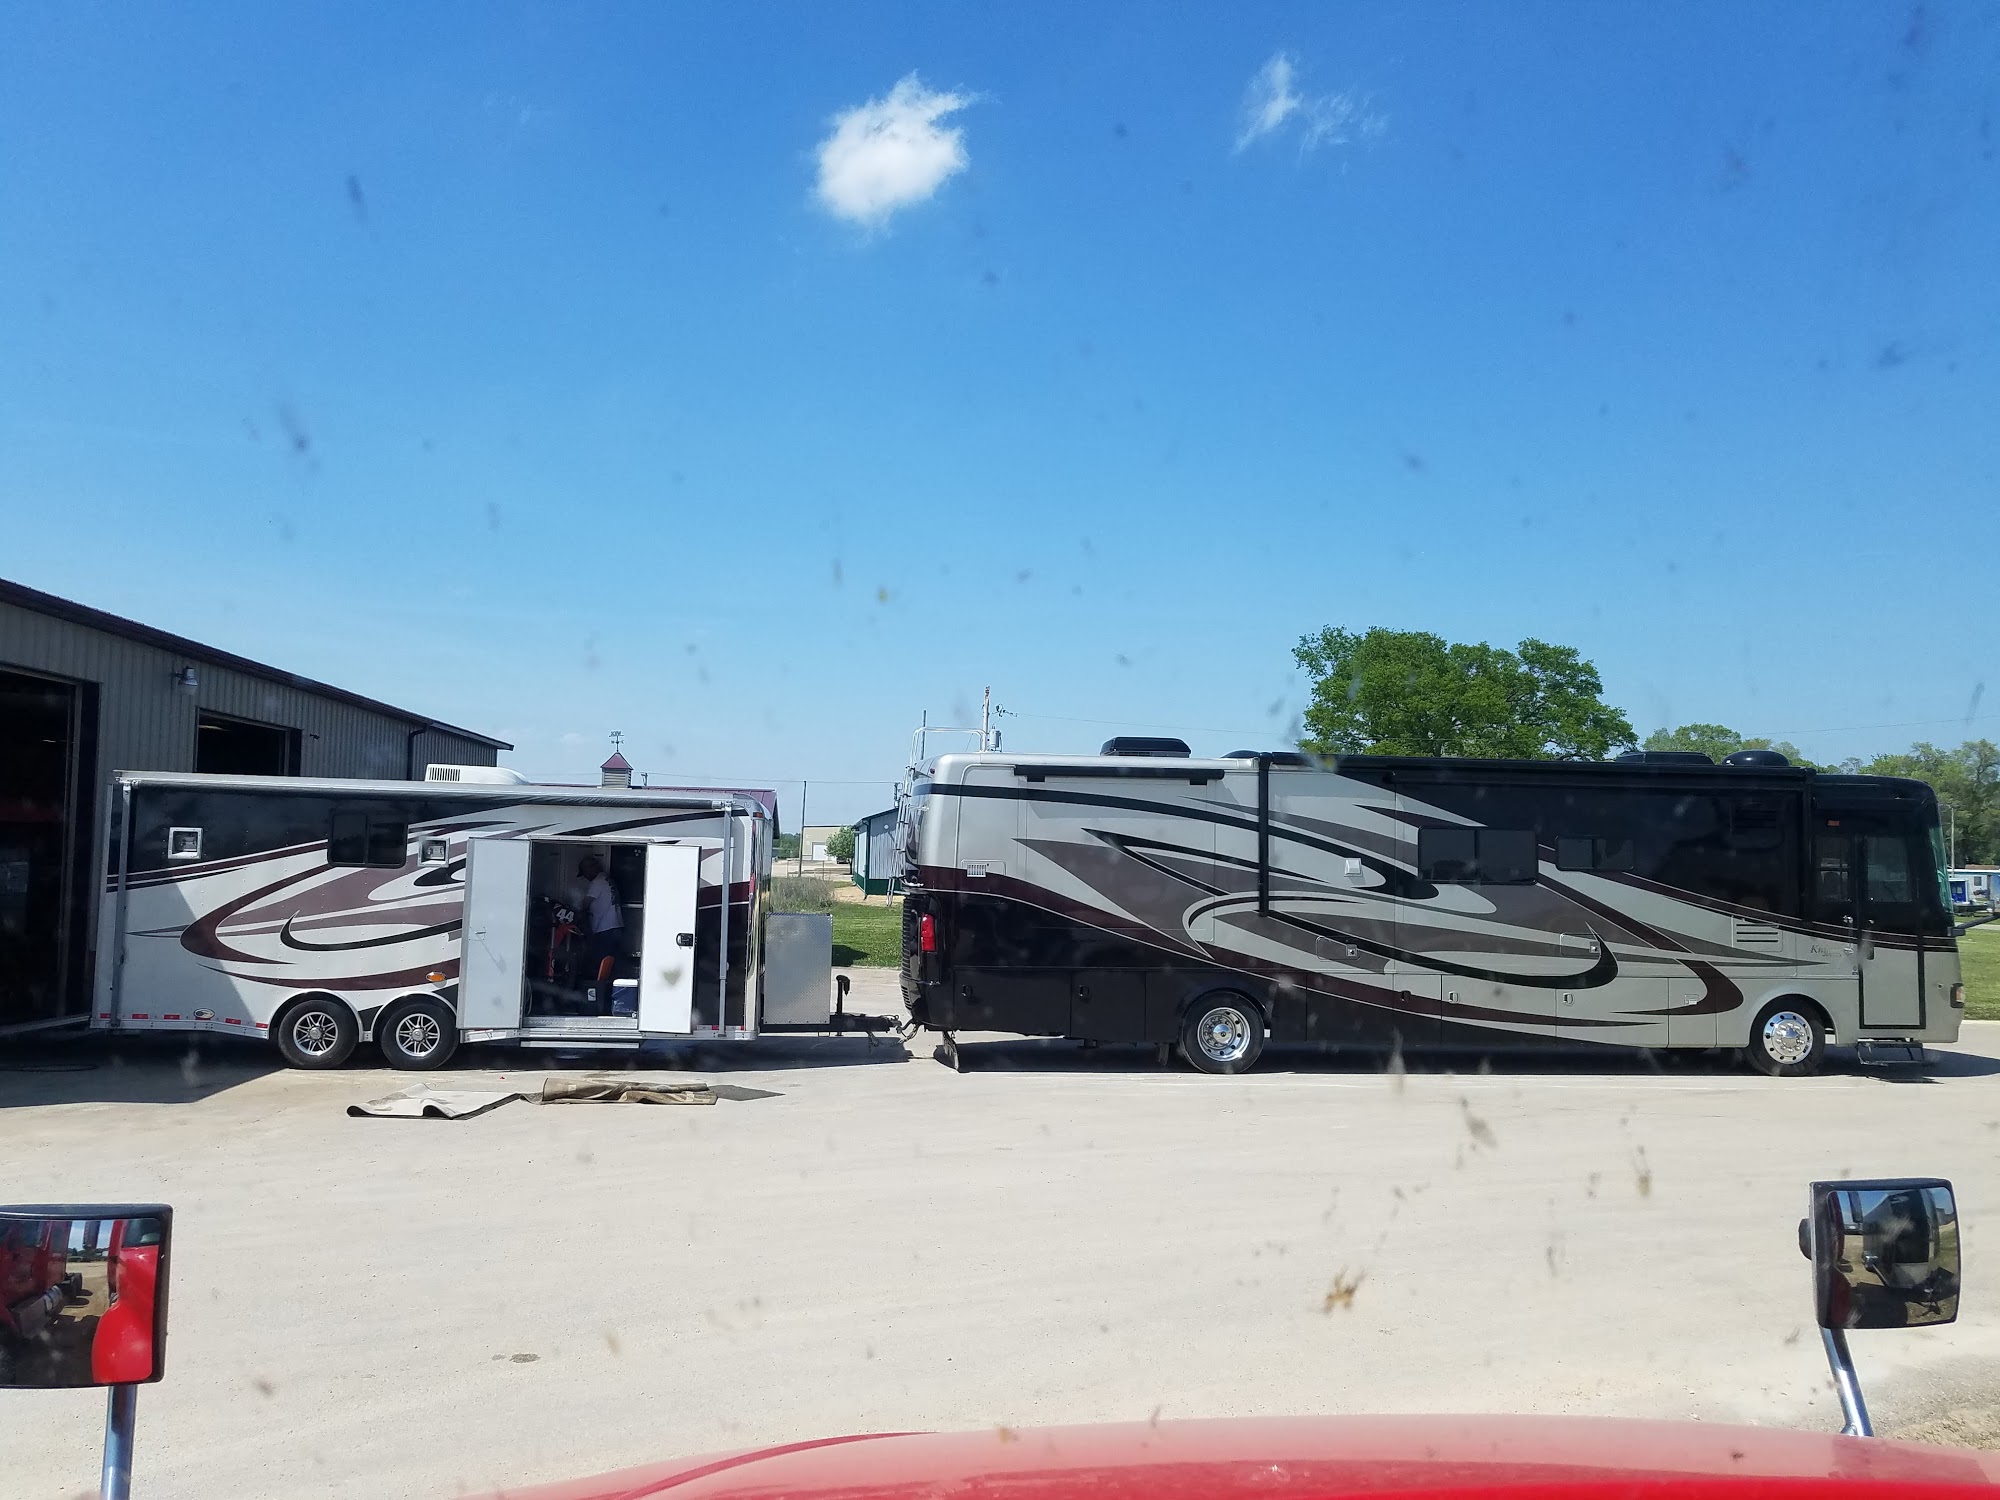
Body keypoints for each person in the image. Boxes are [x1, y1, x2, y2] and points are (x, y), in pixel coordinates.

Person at [574, 855, 624, 1003]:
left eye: (585, 872)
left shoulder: (597, 882)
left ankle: (598, 1000)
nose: (586, 877)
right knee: (613, 966)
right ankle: (611, 999)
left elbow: (585, 904)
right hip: (617, 927)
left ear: (591, 868)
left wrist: (576, 914)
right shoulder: (607, 880)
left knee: (600, 967)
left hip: (605, 929)